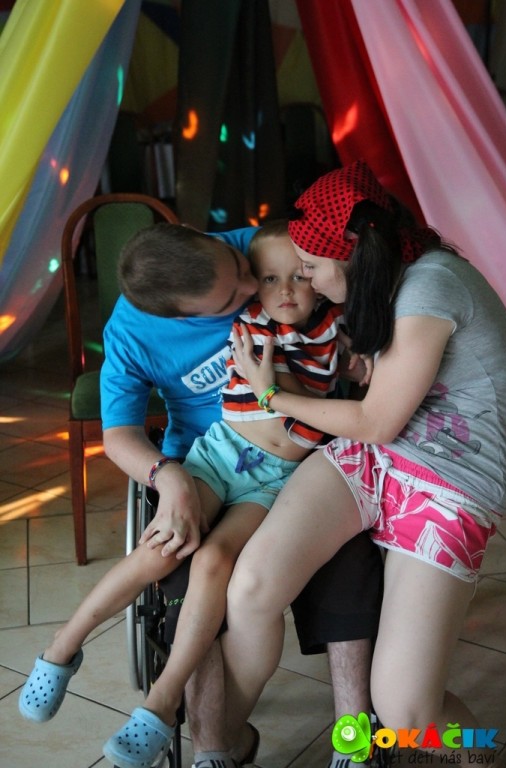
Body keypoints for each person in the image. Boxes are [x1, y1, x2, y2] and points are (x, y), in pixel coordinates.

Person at [18, 222, 383, 768]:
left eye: (243, 273)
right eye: (234, 295)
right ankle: (202, 741)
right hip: (205, 459)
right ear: (182, 316)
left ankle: (353, 739)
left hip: (290, 470)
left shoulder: (262, 252)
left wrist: (364, 351)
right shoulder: (133, 333)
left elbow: (339, 285)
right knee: (173, 560)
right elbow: (119, 436)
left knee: (346, 559)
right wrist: (168, 479)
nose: (253, 288)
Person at [220, 160, 506, 767]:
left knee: (407, 717)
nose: (304, 278)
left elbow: (376, 421)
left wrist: (269, 393)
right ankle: (219, 743)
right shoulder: (388, 279)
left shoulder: (430, 284)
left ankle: (482, 754)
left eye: (311, 266)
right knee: (252, 587)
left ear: (350, 253)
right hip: (379, 455)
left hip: (450, 483)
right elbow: (380, 418)